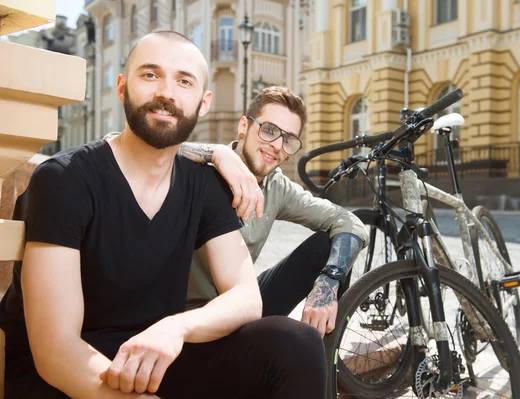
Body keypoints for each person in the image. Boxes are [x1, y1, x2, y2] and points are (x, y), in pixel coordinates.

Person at [0, 31, 325, 399]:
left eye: (183, 81)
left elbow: (246, 298)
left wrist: (176, 328)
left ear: (203, 104)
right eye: (150, 75)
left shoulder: (204, 184)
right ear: (122, 88)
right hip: (66, 377)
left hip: (154, 358)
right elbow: (55, 351)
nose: (167, 93)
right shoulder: (64, 179)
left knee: (295, 343)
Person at [181, 86, 369, 337]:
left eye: (288, 139)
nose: (276, 146)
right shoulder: (200, 169)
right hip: (183, 318)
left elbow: (349, 221)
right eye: (269, 130)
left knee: (327, 247)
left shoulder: (276, 187)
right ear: (244, 126)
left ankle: (328, 359)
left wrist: (329, 281)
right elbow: (124, 147)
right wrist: (217, 153)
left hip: (242, 308)